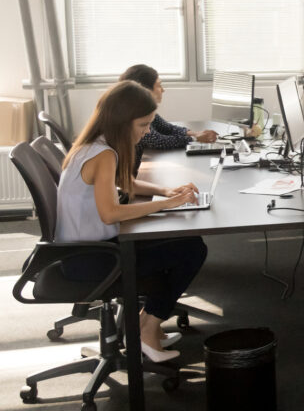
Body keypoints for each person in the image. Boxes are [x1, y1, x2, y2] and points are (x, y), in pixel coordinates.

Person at [56, 81, 208, 363]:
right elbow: (110, 213)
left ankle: (145, 325)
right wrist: (167, 204)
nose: (148, 131)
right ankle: (147, 330)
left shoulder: (93, 144)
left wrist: (164, 191)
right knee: (191, 251)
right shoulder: (104, 154)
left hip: (82, 250)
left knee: (185, 243)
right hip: (94, 258)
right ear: (122, 122)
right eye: (143, 125)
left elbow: (124, 183)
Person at [119, 64, 219, 151]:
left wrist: (195, 133)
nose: (163, 90)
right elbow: (159, 141)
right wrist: (195, 139)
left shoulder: (144, 110)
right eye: (159, 85)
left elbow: (167, 128)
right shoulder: (134, 115)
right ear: (145, 90)